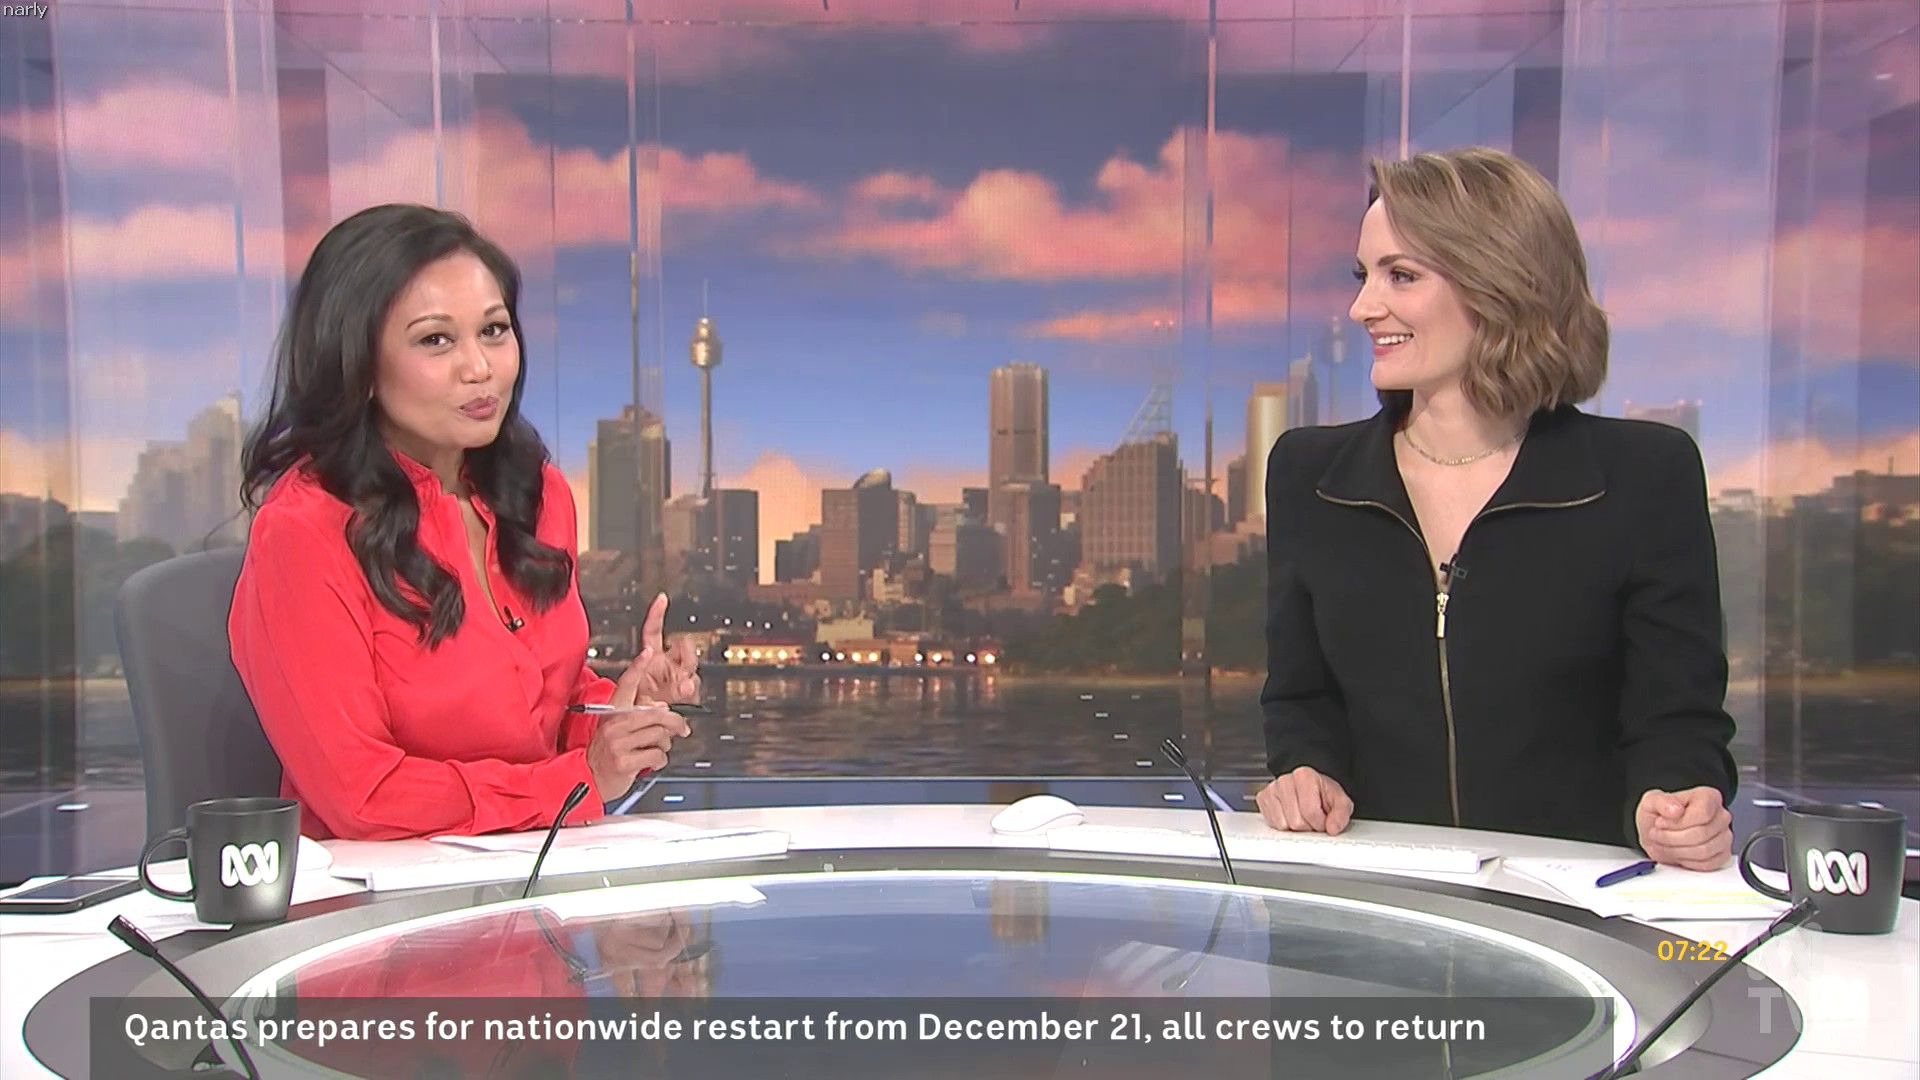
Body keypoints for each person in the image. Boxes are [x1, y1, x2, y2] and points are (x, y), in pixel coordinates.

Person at [1256, 148, 1736, 869]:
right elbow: (1301, 700)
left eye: (1401, 275)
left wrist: (1673, 801)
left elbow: (1678, 719)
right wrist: (1305, 772)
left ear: (1498, 283)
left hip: (1574, 899)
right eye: (1363, 276)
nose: (1362, 308)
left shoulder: (1642, 475)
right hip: (1377, 892)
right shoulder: (1310, 476)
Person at [230, 203, 701, 841]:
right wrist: (579, 779)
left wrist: (619, 715)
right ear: (358, 364)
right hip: (377, 886)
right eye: (436, 340)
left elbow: (539, 715)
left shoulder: (538, 496)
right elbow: (361, 797)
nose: (479, 368)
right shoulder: (305, 532)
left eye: (494, 330)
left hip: (531, 863)